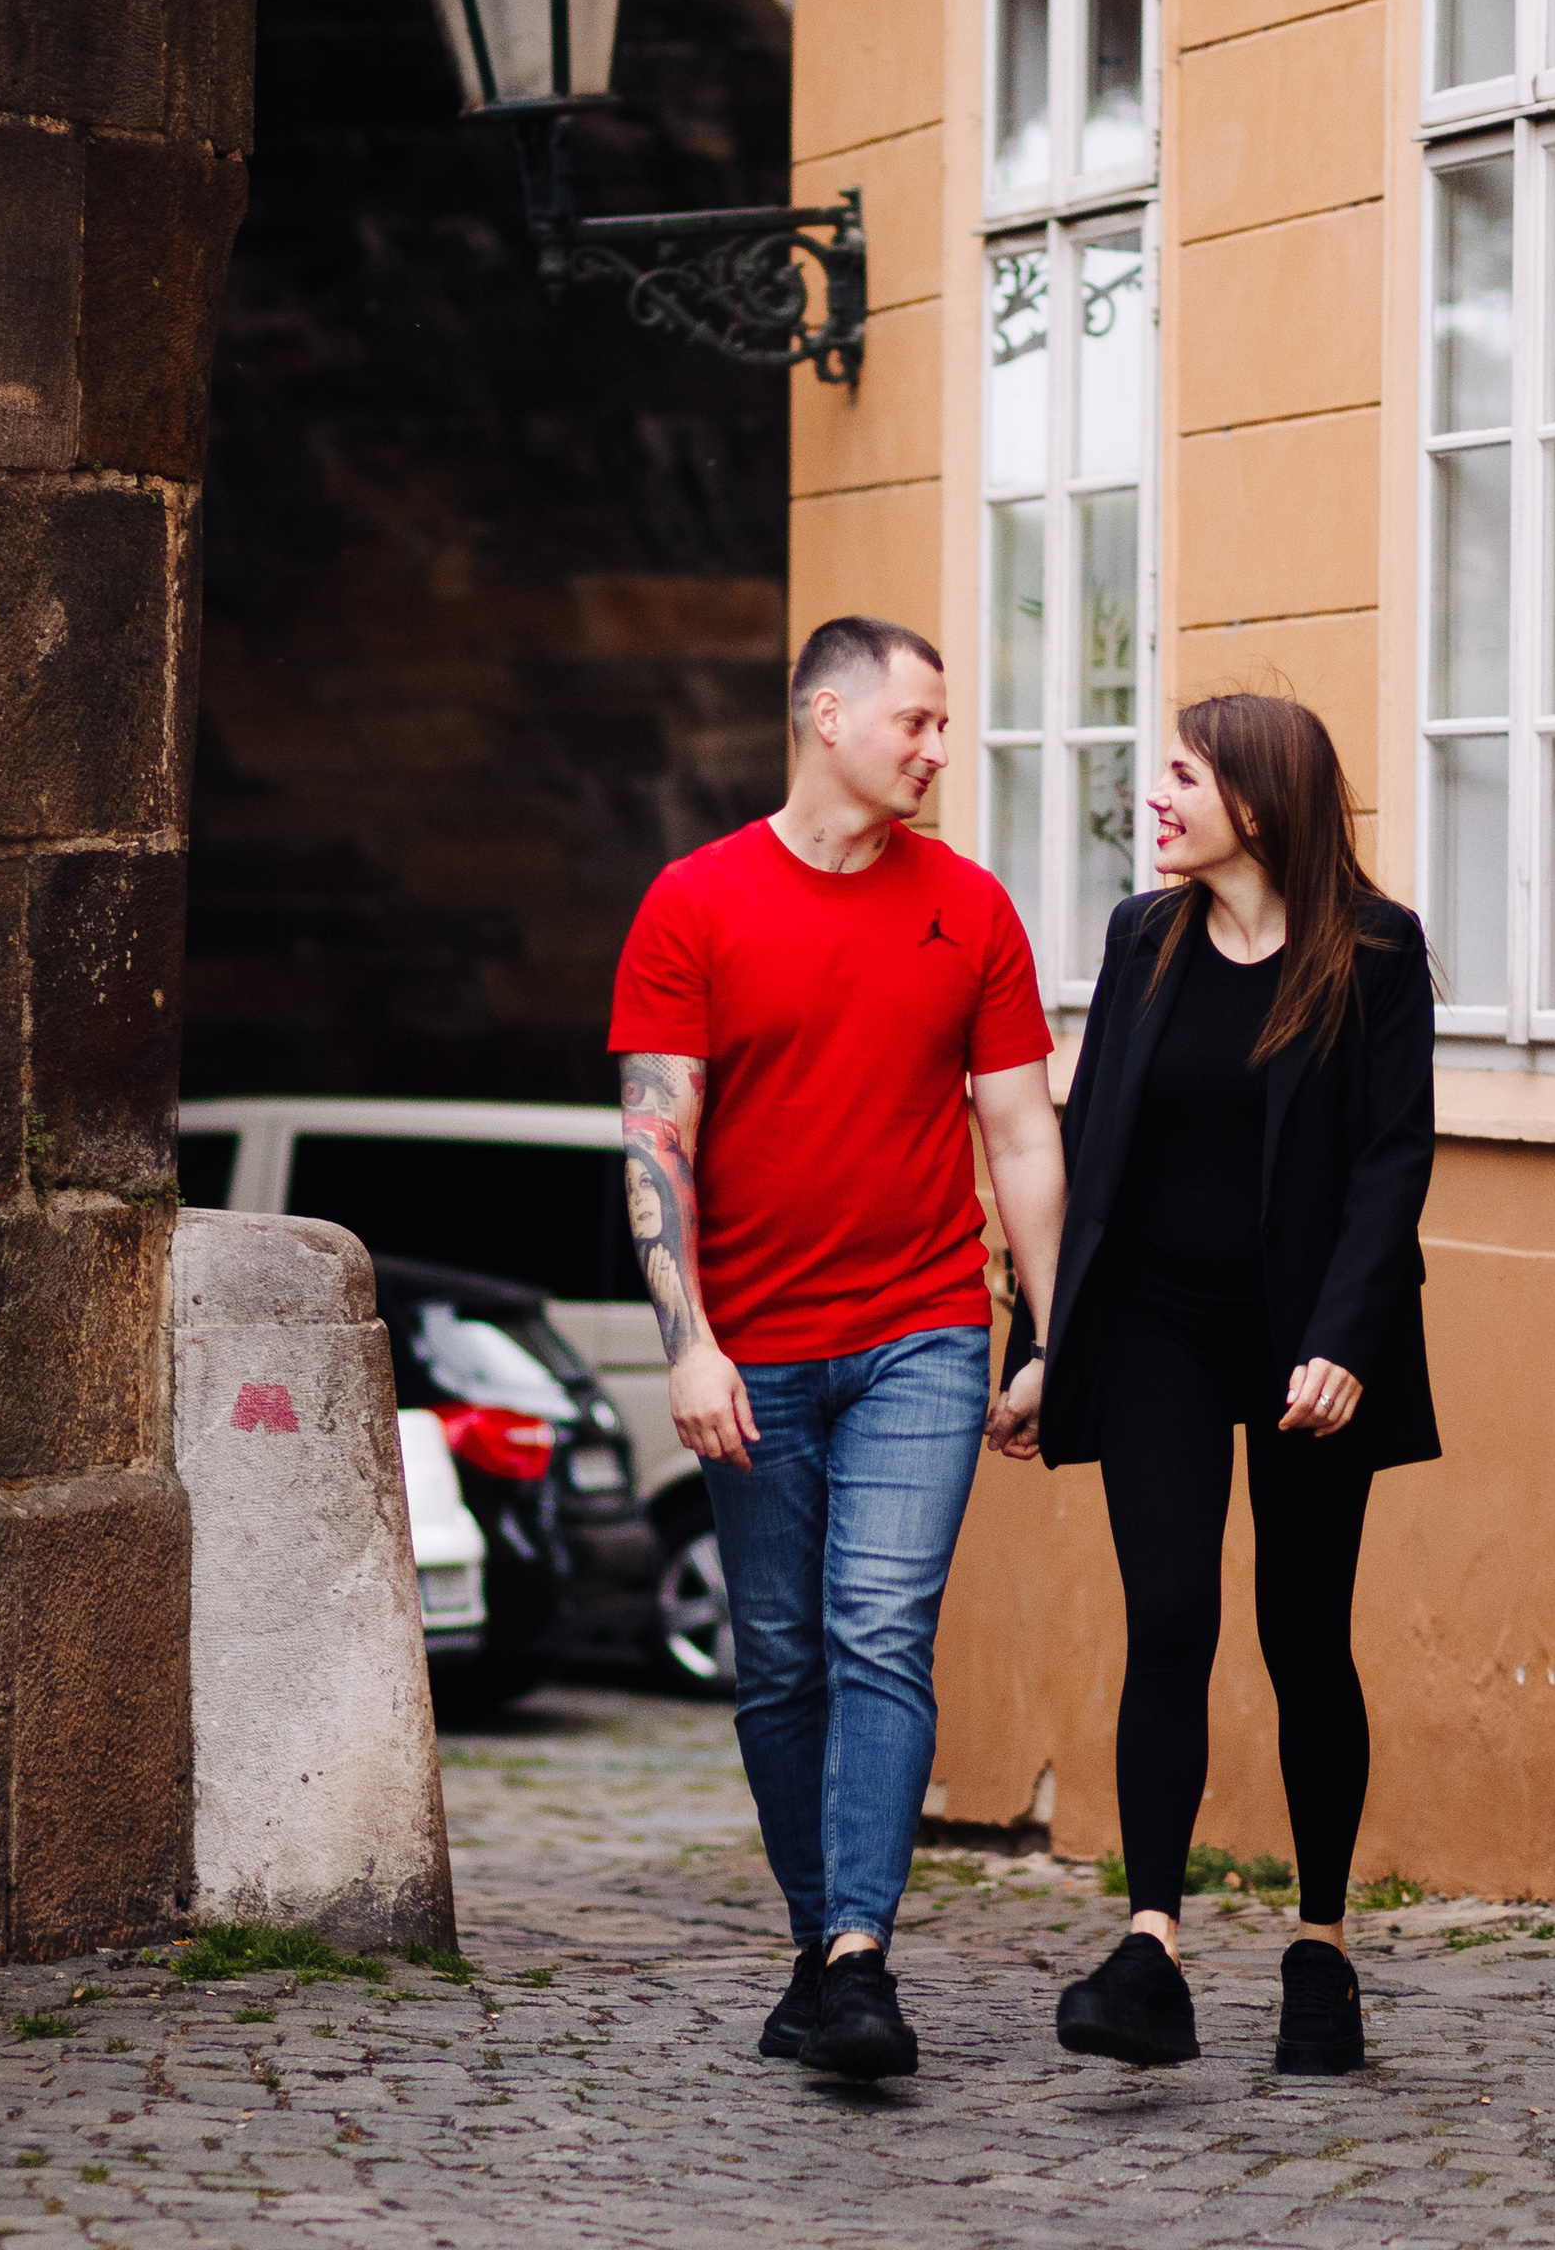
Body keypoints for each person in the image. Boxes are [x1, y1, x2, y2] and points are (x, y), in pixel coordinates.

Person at [612, 614, 1065, 2085]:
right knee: (781, 1662)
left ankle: (860, 1957)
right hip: (752, 1349)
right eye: (915, 721)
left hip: (922, 1330)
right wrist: (689, 1346)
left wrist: (1051, 1332)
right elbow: (657, 1141)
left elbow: (1021, 1135)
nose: (939, 749)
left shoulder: (973, 911)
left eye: (944, 725)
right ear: (825, 719)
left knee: (879, 1629)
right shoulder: (694, 903)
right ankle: (819, 1948)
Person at [992, 689, 1438, 2079]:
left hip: (1313, 1352)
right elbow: (1088, 1144)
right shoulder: (1145, 937)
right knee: (1171, 1616)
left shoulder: (1377, 950)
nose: (1158, 799)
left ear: (1257, 796)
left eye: (1181, 776)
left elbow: (1394, 1160)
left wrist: (1347, 1340)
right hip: (1158, 1339)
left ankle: (1322, 1947)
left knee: (1305, 1635)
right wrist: (1044, 1344)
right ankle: (1151, 1951)